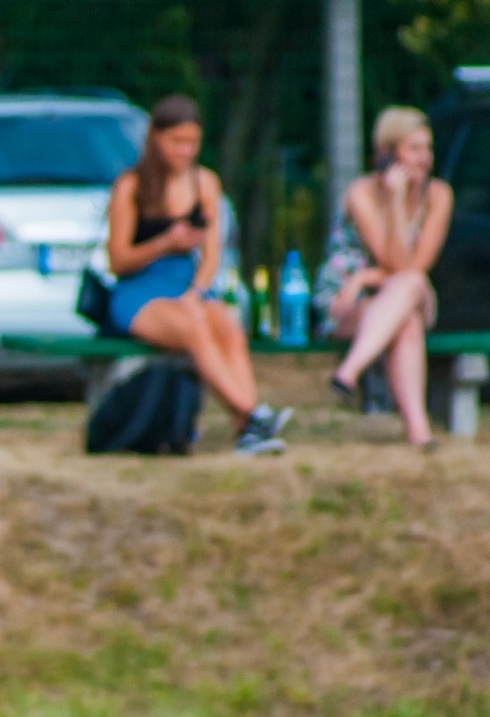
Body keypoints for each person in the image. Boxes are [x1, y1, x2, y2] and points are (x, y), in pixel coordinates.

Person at [106, 94, 292, 455]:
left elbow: (212, 253)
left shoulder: (204, 183)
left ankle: (249, 430)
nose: (185, 151)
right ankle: (251, 415)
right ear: (155, 138)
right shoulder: (131, 187)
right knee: (194, 327)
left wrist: (198, 289)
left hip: (186, 287)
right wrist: (164, 243)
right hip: (140, 291)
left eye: (192, 142)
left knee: (226, 325)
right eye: (176, 142)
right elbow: (118, 260)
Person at [316, 106, 454, 448]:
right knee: (406, 318)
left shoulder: (438, 196)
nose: (425, 159)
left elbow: (411, 266)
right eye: (414, 149)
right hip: (348, 303)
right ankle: (419, 431)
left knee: (409, 288)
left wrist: (366, 277)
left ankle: (349, 371)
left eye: (428, 148)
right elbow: (390, 259)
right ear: (387, 155)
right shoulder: (361, 193)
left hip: (400, 291)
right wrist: (392, 200)